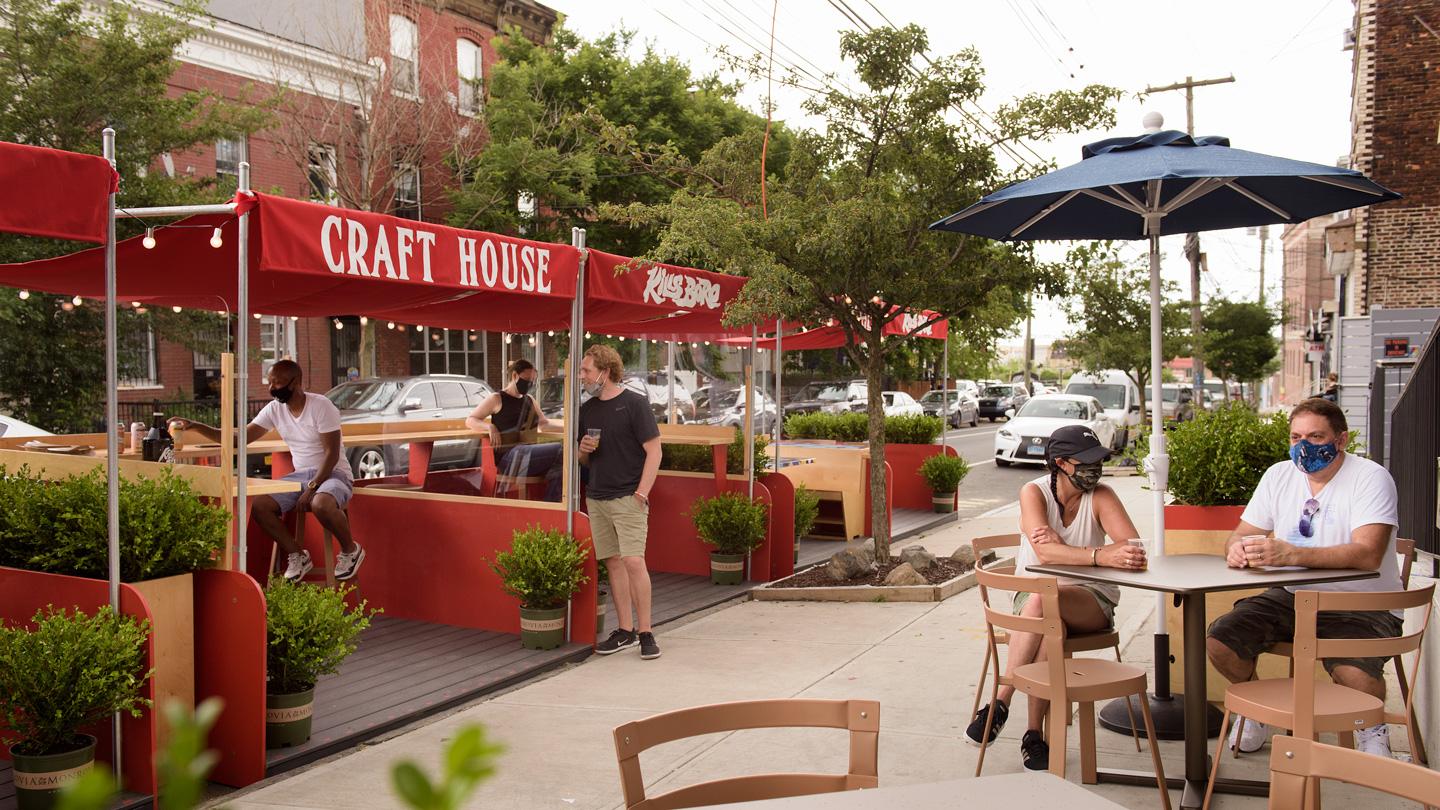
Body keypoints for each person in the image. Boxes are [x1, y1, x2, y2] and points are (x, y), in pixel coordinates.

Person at [1206, 398, 1400, 758]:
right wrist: (1235, 549)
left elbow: (1368, 552)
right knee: (1222, 640)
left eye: (1315, 436)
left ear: (1340, 440)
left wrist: (1293, 554)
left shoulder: (1371, 478)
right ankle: (1252, 713)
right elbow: (1241, 533)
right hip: (1292, 596)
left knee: (1351, 673)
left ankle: (1371, 728)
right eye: (1296, 437)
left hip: (1363, 600)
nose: (1304, 446)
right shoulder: (1280, 475)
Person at [964, 425, 1147, 771]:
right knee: (1049, 615)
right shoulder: (1033, 493)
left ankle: (1002, 699)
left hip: (1090, 600)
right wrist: (1098, 554)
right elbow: (1044, 556)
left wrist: (1069, 551)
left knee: (1045, 601)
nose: (1097, 468)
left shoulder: (1102, 496)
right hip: (1038, 604)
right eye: (1087, 462)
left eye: (1099, 460)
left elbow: (1133, 550)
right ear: (1060, 463)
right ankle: (1034, 736)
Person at [172, 360, 364, 582]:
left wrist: (312, 488)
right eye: (270, 382)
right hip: (301, 474)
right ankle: (297, 554)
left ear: (296, 382)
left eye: (279, 382)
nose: (273, 388)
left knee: (320, 503)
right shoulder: (275, 409)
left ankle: (351, 550)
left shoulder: (321, 406)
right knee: (261, 506)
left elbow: (331, 454)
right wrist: (196, 426)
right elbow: (239, 439)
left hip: (334, 473)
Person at [578, 345, 663, 659]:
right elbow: (582, 460)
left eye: (586, 370)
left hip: (629, 496)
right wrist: (583, 449)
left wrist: (642, 493)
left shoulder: (634, 404)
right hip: (597, 496)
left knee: (633, 561)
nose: (582, 376)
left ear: (605, 370)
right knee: (613, 562)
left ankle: (646, 632)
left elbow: (655, 451)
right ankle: (625, 630)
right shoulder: (587, 410)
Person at [464, 359, 561, 500]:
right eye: (527, 380)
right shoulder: (497, 398)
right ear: (515, 376)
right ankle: (552, 504)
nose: (530, 384)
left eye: (533, 381)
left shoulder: (529, 400)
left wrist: (571, 427)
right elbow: (470, 420)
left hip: (528, 454)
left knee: (566, 457)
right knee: (560, 450)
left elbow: (544, 424)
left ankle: (552, 504)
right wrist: (489, 426)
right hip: (509, 458)